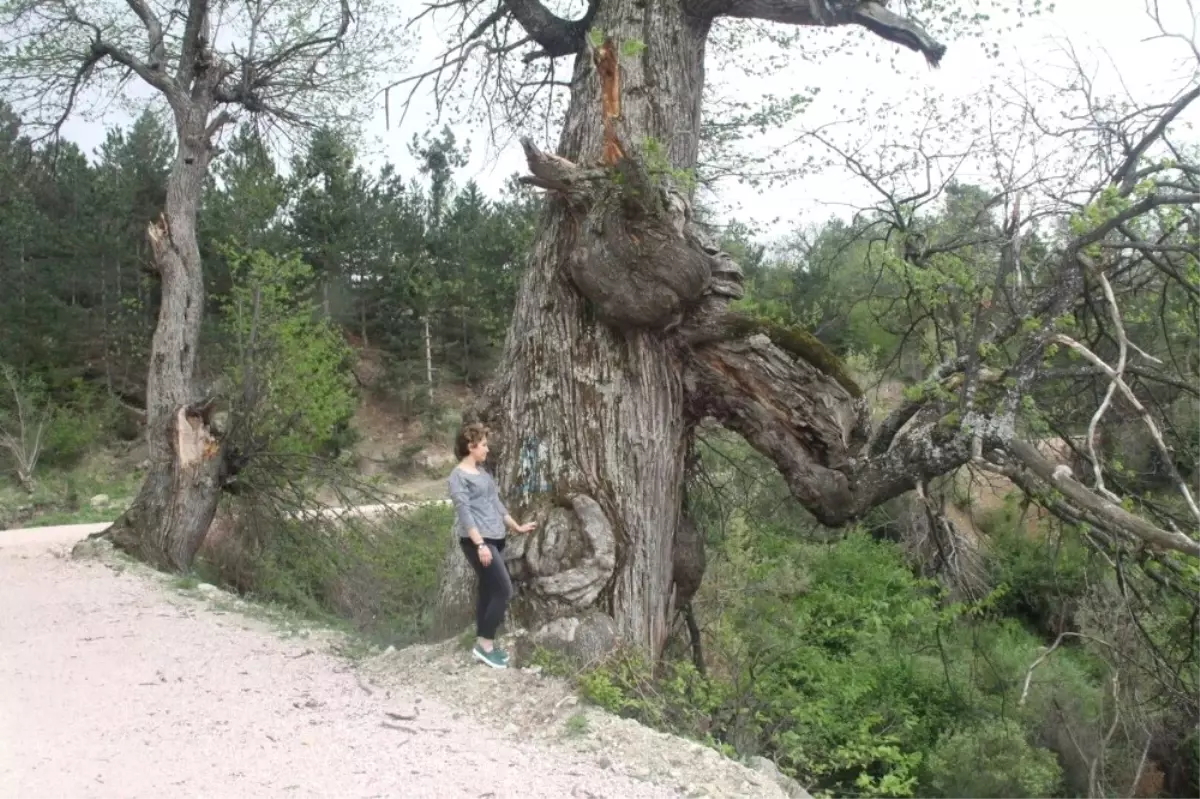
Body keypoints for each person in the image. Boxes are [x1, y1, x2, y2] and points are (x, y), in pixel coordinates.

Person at [448, 422, 536, 669]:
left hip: (495, 539)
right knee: (504, 590)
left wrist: (516, 527)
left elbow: (495, 504)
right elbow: (464, 514)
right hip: (478, 542)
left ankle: (482, 642)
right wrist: (480, 546)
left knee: (488, 590)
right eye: (483, 445)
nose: (487, 449)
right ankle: (485, 645)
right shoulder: (458, 477)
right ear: (470, 446)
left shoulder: (483, 474)